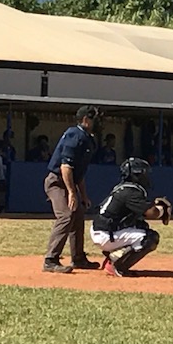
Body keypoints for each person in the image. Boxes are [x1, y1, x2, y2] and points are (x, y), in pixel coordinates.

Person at [42, 105, 102, 273]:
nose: (97, 123)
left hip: (70, 181)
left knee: (78, 214)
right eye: (94, 119)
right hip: (57, 181)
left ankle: (78, 258)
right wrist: (71, 193)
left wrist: (83, 195)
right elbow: (66, 167)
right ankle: (50, 260)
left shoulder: (88, 138)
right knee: (66, 215)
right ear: (85, 120)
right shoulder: (75, 135)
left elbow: (79, 172)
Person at [90, 157, 171, 277]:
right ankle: (118, 266)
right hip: (106, 234)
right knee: (150, 238)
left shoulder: (123, 187)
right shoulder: (131, 191)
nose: (146, 176)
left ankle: (113, 257)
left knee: (141, 225)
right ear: (135, 175)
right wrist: (162, 210)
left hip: (104, 229)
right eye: (143, 173)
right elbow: (151, 213)